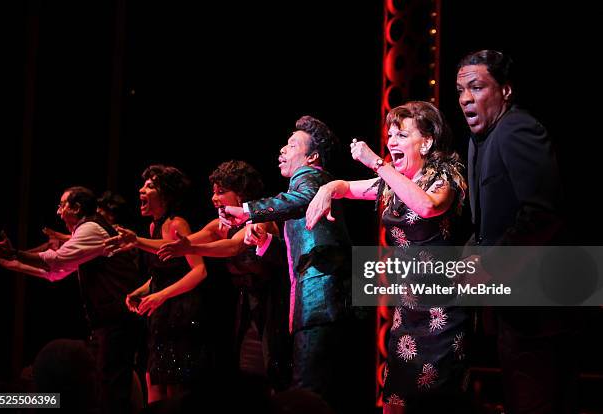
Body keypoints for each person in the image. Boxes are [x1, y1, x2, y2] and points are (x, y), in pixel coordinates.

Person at [305, 101, 470, 413]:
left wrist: (378, 164)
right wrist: (328, 189)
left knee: (436, 401)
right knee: (396, 398)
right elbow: (348, 188)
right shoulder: (391, 183)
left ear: (427, 141)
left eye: (401, 135)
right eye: (389, 135)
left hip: (443, 312)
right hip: (407, 313)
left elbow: (427, 207)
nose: (392, 141)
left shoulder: (445, 175)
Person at [219, 116, 364, 413]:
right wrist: (264, 243)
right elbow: (301, 247)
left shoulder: (309, 177)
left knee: (308, 394)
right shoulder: (308, 186)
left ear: (311, 157)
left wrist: (248, 211)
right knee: (323, 392)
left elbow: (303, 198)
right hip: (327, 301)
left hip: (321, 301)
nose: (283, 150)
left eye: (292, 144)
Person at [106, 161, 290, 394]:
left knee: (276, 372)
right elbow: (181, 243)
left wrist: (189, 249)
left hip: (274, 304)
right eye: (213, 192)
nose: (214, 198)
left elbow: (232, 247)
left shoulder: (260, 219)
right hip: (247, 307)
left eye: (221, 192)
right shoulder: (219, 225)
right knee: (250, 374)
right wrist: (138, 241)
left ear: (241, 194)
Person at [456, 50, 574, 413]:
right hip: (513, 310)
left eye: (476, 87)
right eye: (460, 90)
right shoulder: (482, 140)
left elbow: (542, 214)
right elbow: (491, 222)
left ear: (505, 91)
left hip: (539, 312)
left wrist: (490, 266)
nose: (465, 99)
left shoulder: (517, 129)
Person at [0, 186, 143, 414]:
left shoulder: (91, 228)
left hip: (116, 320)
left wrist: (15, 255)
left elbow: (58, 260)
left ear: (77, 208)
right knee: (105, 388)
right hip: (108, 321)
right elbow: (56, 272)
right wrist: (14, 263)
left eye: (62, 205)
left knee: (111, 391)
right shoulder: (89, 230)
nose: (58, 212)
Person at [120, 165, 209, 404]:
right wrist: (139, 292)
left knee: (175, 389)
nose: (141, 190)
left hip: (180, 313)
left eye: (149, 186)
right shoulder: (153, 226)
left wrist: (161, 296)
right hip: (161, 314)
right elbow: (163, 274)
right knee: (155, 380)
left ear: (166, 195)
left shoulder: (177, 224)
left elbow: (199, 271)